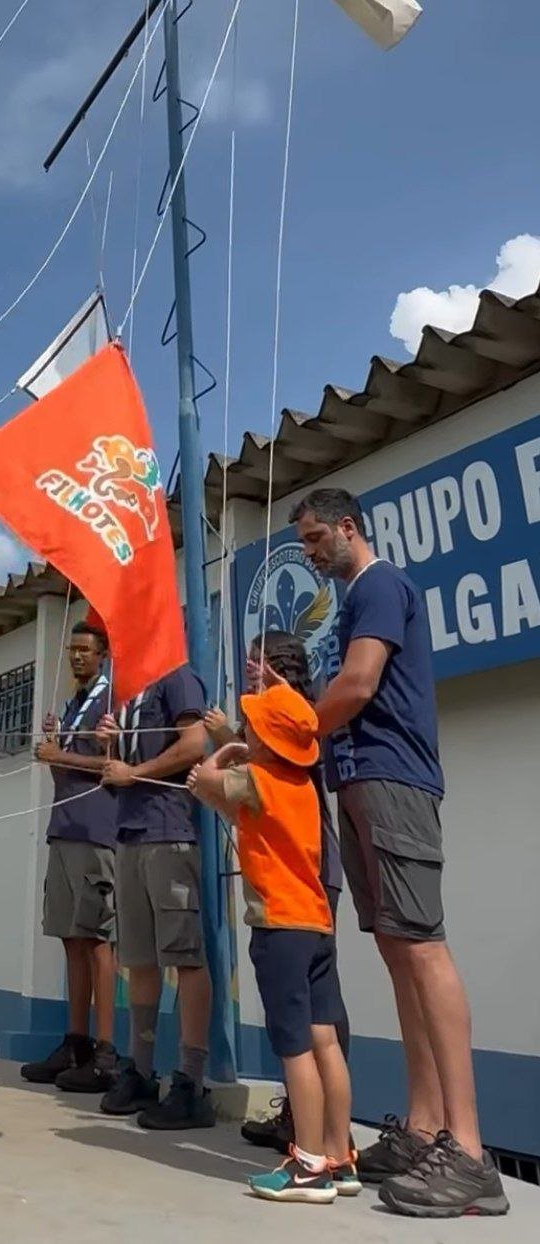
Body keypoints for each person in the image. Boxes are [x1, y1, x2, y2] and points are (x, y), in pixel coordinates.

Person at [281, 487, 508, 1217]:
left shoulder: (379, 585)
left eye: (317, 539)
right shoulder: (352, 598)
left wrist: (288, 736)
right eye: (306, 544)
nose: (312, 554)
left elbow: (358, 682)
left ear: (349, 527)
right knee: (396, 950)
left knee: (423, 949)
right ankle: (422, 1129)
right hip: (355, 783)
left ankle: (468, 1151)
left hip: (391, 781)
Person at [188, 683, 356, 1203]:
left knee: (294, 1049)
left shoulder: (256, 777)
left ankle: (306, 1163)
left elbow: (205, 781)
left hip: (279, 928)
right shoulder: (301, 786)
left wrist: (223, 752)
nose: (247, 731)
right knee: (325, 1040)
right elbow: (231, 811)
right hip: (316, 925)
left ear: (266, 739)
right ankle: (338, 1155)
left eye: (253, 726)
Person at [94, 666, 215, 1130]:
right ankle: (141, 1069)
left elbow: (194, 745)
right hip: (129, 831)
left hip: (169, 831)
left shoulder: (179, 677)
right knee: (140, 959)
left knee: (185, 956)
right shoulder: (128, 691)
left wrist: (135, 772)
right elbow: (122, 765)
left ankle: (191, 1080)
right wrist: (111, 745)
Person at [22, 619, 118, 1092]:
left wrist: (59, 756)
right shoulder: (73, 704)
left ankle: (106, 1050)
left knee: (99, 937)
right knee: (70, 936)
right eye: (72, 649)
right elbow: (64, 767)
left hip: (97, 831)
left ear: (102, 654)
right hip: (64, 828)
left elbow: (113, 765)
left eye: (85, 649)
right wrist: (56, 746)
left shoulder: (110, 701)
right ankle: (74, 1040)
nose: (77, 656)